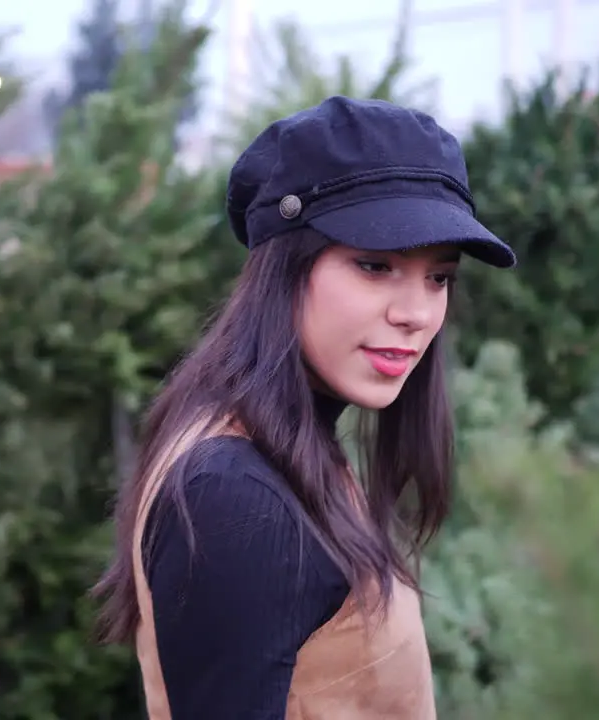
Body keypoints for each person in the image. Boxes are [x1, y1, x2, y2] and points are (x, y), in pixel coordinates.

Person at [91, 96, 517, 719]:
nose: (416, 313)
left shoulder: (285, 450)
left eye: (438, 277)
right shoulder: (234, 496)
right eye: (375, 266)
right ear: (285, 270)